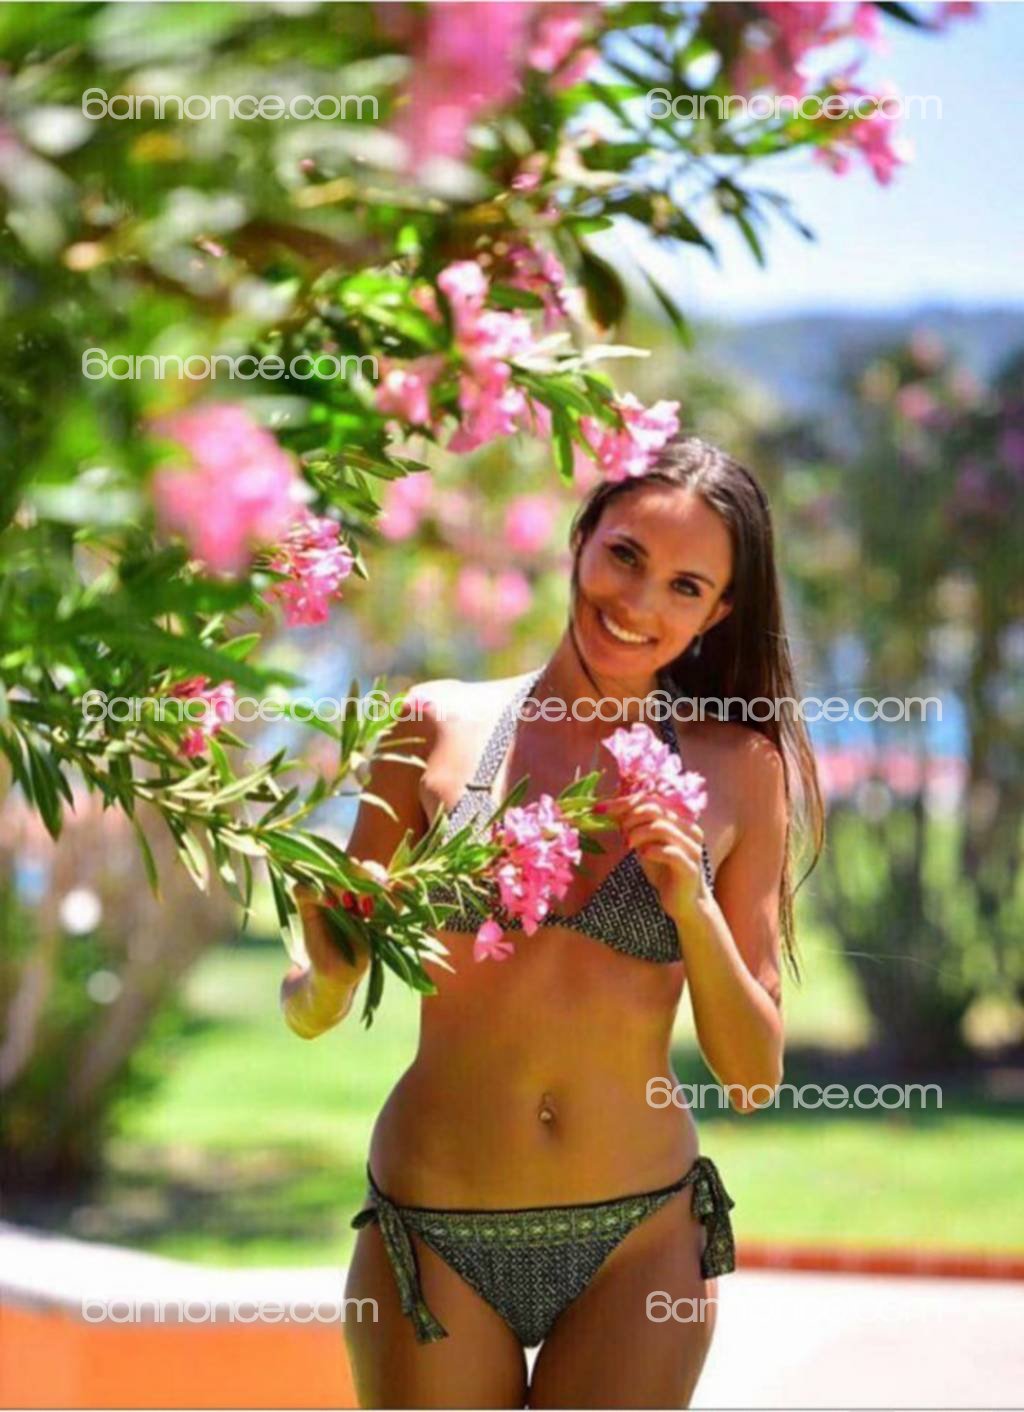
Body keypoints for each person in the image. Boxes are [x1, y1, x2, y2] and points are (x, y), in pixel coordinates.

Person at [281, 434, 824, 1409]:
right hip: (433, 1232)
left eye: (685, 586)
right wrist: (327, 971)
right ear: (581, 540)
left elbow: (752, 1076)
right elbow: (314, 1007)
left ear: (718, 611)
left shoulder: (739, 769)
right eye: (625, 556)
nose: (639, 602)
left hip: (638, 1243)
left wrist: (691, 904)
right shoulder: (436, 725)